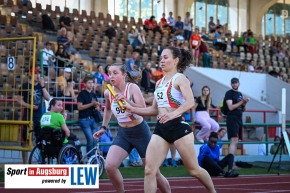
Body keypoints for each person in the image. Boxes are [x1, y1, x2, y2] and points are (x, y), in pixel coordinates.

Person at [124, 46, 217, 193]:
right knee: (149, 170)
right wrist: (132, 108)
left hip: (179, 128)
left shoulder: (180, 79)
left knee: (194, 170)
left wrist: (174, 114)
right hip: (161, 129)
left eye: (165, 57)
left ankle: (213, 191)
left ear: (176, 60)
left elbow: (190, 101)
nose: (162, 60)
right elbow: (153, 110)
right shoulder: (159, 83)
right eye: (161, 58)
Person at [93, 63, 170, 193]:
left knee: (153, 172)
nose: (111, 76)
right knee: (110, 166)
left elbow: (143, 109)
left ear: (124, 75)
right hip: (123, 133)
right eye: (109, 73)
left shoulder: (132, 88)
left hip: (140, 132)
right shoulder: (108, 92)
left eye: (115, 73)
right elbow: (107, 109)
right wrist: (103, 127)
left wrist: (126, 100)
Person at [17, 66, 50, 163]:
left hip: (38, 116)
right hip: (27, 115)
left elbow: (48, 98)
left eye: (39, 73)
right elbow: (19, 100)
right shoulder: (25, 85)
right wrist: (29, 106)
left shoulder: (40, 86)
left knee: (40, 139)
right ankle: (25, 163)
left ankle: (41, 160)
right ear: (31, 74)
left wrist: (43, 86)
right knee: (25, 141)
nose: (38, 75)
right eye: (36, 73)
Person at [225, 77, 250, 157]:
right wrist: (242, 101)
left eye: (236, 83)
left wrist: (244, 103)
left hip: (239, 118)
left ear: (239, 84)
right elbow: (230, 107)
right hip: (232, 118)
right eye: (233, 83)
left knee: (236, 140)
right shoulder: (229, 93)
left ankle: (232, 162)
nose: (235, 84)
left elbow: (243, 109)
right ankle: (231, 163)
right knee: (234, 139)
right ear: (231, 84)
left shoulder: (240, 94)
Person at [77, 75, 101, 157]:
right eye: (89, 83)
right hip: (84, 119)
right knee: (90, 139)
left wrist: (97, 107)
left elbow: (97, 107)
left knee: (94, 139)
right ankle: (90, 158)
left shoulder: (94, 95)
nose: (91, 84)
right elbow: (79, 107)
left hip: (92, 119)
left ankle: (93, 158)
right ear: (85, 84)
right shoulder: (81, 94)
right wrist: (92, 104)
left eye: (92, 83)